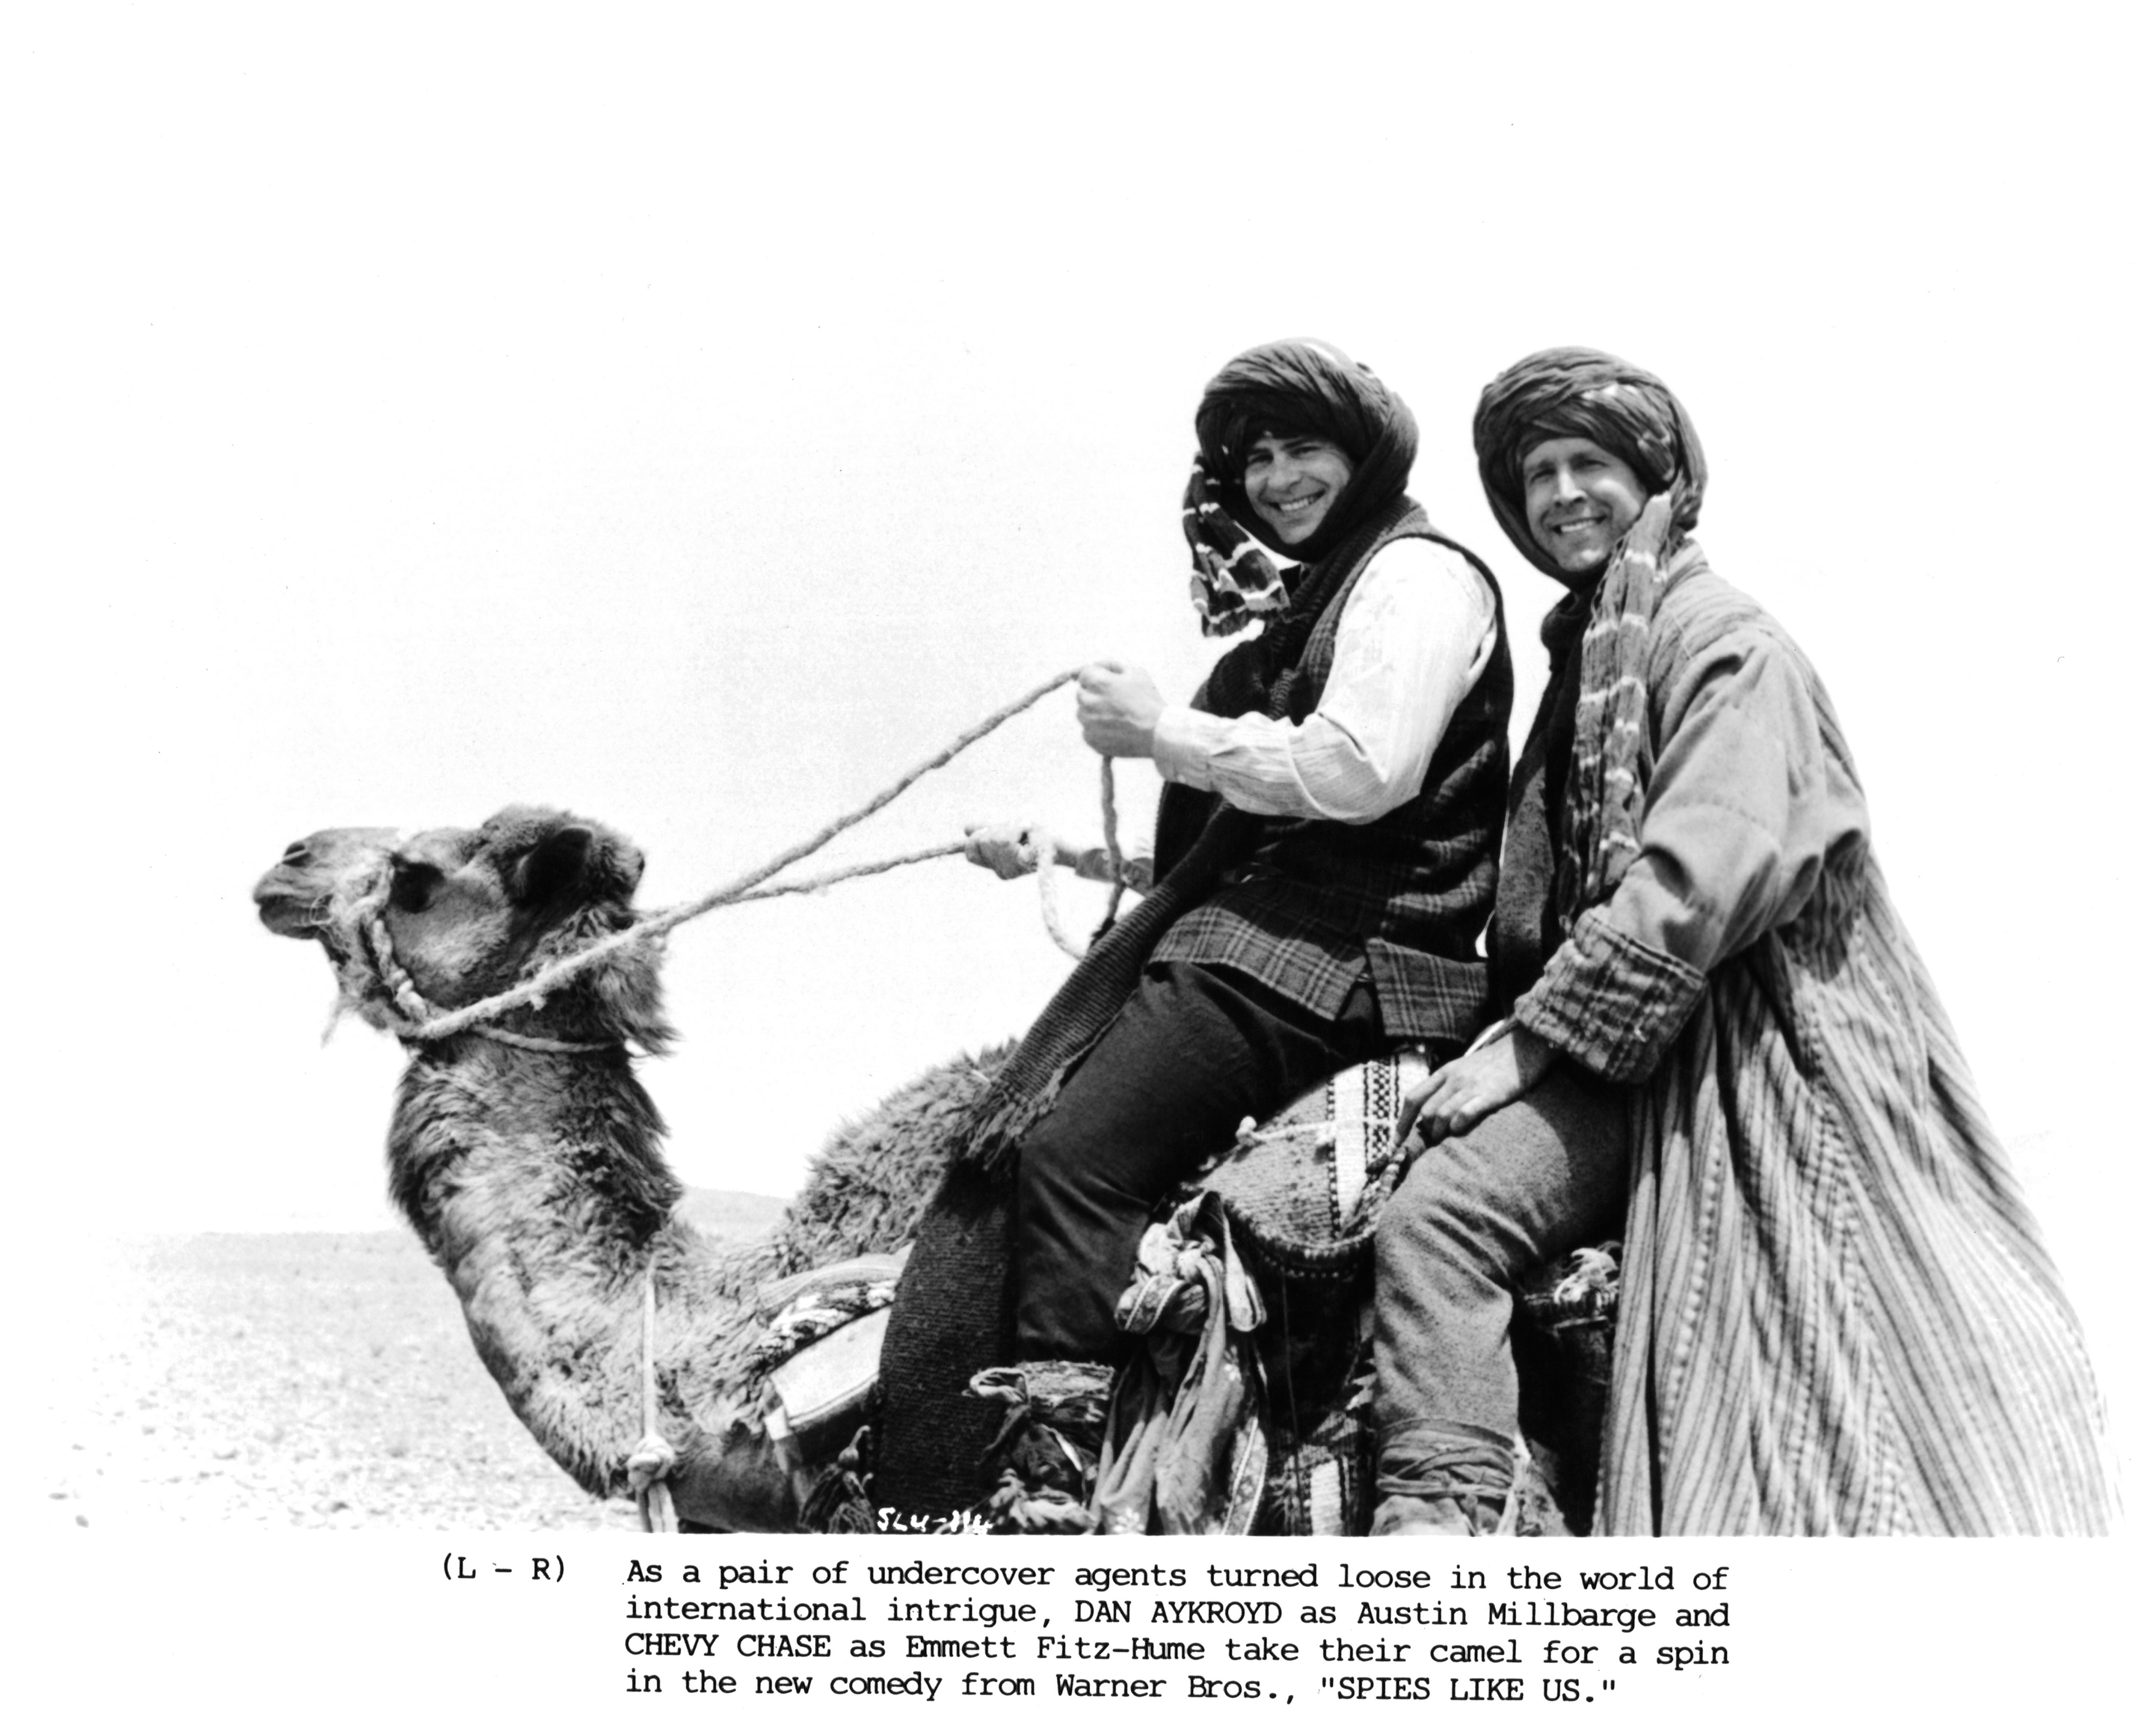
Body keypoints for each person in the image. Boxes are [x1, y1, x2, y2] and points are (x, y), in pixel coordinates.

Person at [1375, 346, 2112, 1535]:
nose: (1564, 494)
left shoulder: (1723, 641)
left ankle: (1437, 1530)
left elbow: (1704, 871)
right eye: (1540, 474)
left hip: (1754, 1028)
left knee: (1439, 1213)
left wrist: (1522, 1050)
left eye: (1591, 465)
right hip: (1637, 1022)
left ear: (1658, 480)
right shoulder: (1594, 651)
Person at [952, 337, 1513, 1511]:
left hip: (1336, 967)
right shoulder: (1307, 614)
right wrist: (1057, 853)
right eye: (1255, 458)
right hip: (1292, 948)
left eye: (1303, 447)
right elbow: (1242, 834)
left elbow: (1358, 773)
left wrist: (1161, 734)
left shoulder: (1418, 579)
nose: (1276, 478)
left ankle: (1056, 1479)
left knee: (1069, 1156)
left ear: (1363, 456)